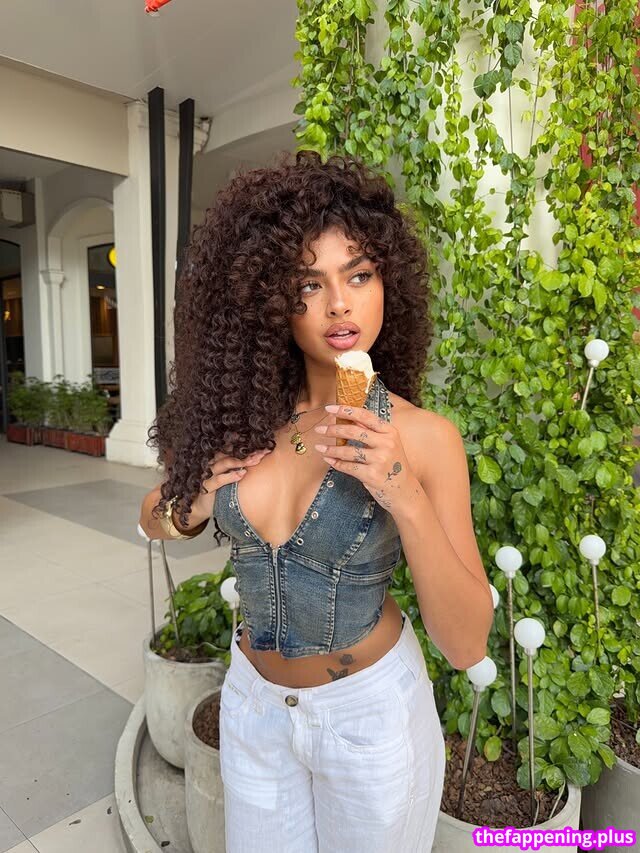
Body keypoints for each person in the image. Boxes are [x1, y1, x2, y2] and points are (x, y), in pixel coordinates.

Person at [140, 150, 494, 852]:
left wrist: (405, 495)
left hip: (368, 721)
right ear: (270, 300)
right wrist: (192, 503)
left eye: (358, 274)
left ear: (388, 282)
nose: (339, 304)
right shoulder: (240, 418)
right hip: (254, 709)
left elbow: (466, 643)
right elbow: (151, 518)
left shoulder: (423, 437)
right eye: (310, 283)